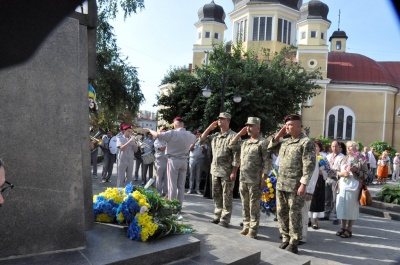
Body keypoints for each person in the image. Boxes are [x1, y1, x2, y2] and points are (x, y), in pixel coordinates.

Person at [268, 114, 315, 254]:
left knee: (294, 213)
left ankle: (294, 242)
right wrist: (279, 134)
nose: (287, 127)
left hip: (295, 185)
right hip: (282, 184)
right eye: (286, 125)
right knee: (281, 212)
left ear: (299, 126)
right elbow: (269, 149)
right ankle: (285, 238)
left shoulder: (306, 142)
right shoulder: (286, 142)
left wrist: (303, 184)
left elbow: (309, 165)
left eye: (290, 125)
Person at [230, 117, 271, 239]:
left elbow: (267, 162)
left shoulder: (263, 143)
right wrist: (239, 134)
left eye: (251, 126)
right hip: (243, 178)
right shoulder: (245, 142)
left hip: (255, 179)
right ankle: (246, 226)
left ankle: (253, 229)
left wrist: (264, 178)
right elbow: (231, 145)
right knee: (245, 204)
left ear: (258, 127)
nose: (248, 128)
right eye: (247, 125)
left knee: (254, 204)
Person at [200, 112, 240, 228]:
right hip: (215, 170)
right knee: (216, 195)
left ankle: (225, 219)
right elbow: (201, 140)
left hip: (227, 172)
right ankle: (217, 215)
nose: (219, 121)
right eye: (218, 119)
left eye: (222, 119)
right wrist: (209, 128)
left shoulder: (234, 136)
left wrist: (234, 171)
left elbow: (237, 156)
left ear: (228, 121)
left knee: (227, 196)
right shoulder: (215, 136)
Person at [145, 117, 196, 205]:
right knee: (181, 185)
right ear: (183, 124)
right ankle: (179, 205)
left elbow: (157, 135)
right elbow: (195, 140)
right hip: (184, 160)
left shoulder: (172, 133)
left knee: (172, 184)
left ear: (175, 124)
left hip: (173, 160)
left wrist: (150, 130)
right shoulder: (189, 134)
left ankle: (172, 205)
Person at [336, 141, 368, 238]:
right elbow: (336, 172)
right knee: (342, 207)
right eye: (348, 147)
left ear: (356, 149)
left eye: (351, 147)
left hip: (354, 187)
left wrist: (356, 170)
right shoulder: (343, 159)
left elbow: (366, 175)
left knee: (351, 208)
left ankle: (349, 229)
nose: (349, 148)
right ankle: (342, 227)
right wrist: (342, 174)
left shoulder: (361, 160)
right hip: (343, 186)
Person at [322, 141, 344, 225]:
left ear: (339, 147)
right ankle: (326, 214)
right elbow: (324, 166)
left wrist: (334, 170)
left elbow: (342, 169)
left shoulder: (342, 157)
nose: (334, 148)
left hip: (336, 179)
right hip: (328, 178)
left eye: (336, 146)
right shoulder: (328, 156)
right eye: (333, 146)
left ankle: (336, 216)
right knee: (327, 198)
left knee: (335, 199)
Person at [308, 140, 328, 230]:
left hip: (319, 181)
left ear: (320, 148)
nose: (315, 148)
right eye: (313, 146)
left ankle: (316, 221)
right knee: (309, 200)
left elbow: (328, 170)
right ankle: (308, 219)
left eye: (317, 146)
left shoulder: (323, 157)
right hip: (310, 180)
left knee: (317, 201)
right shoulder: (309, 157)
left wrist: (322, 172)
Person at [188, 131, 207, 195]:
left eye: (199, 134)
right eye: (197, 134)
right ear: (194, 135)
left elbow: (205, 151)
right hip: (192, 159)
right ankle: (190, 189)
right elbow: (190, 149)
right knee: (192, 174)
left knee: (198, 175)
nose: (198, 135)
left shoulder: (203, 141)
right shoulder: (191, 141)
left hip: (200, 159)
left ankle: (197, 189)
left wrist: (203, 146)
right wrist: (195, 142)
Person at [154, 131, 168, 196]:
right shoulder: (157, 141)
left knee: (166, 177)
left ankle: (165, 191)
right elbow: (161, 149)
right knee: (159, 177)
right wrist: (169, 145)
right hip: (160, 160)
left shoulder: (166, 141)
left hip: (167, 160)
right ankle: (158, 191)